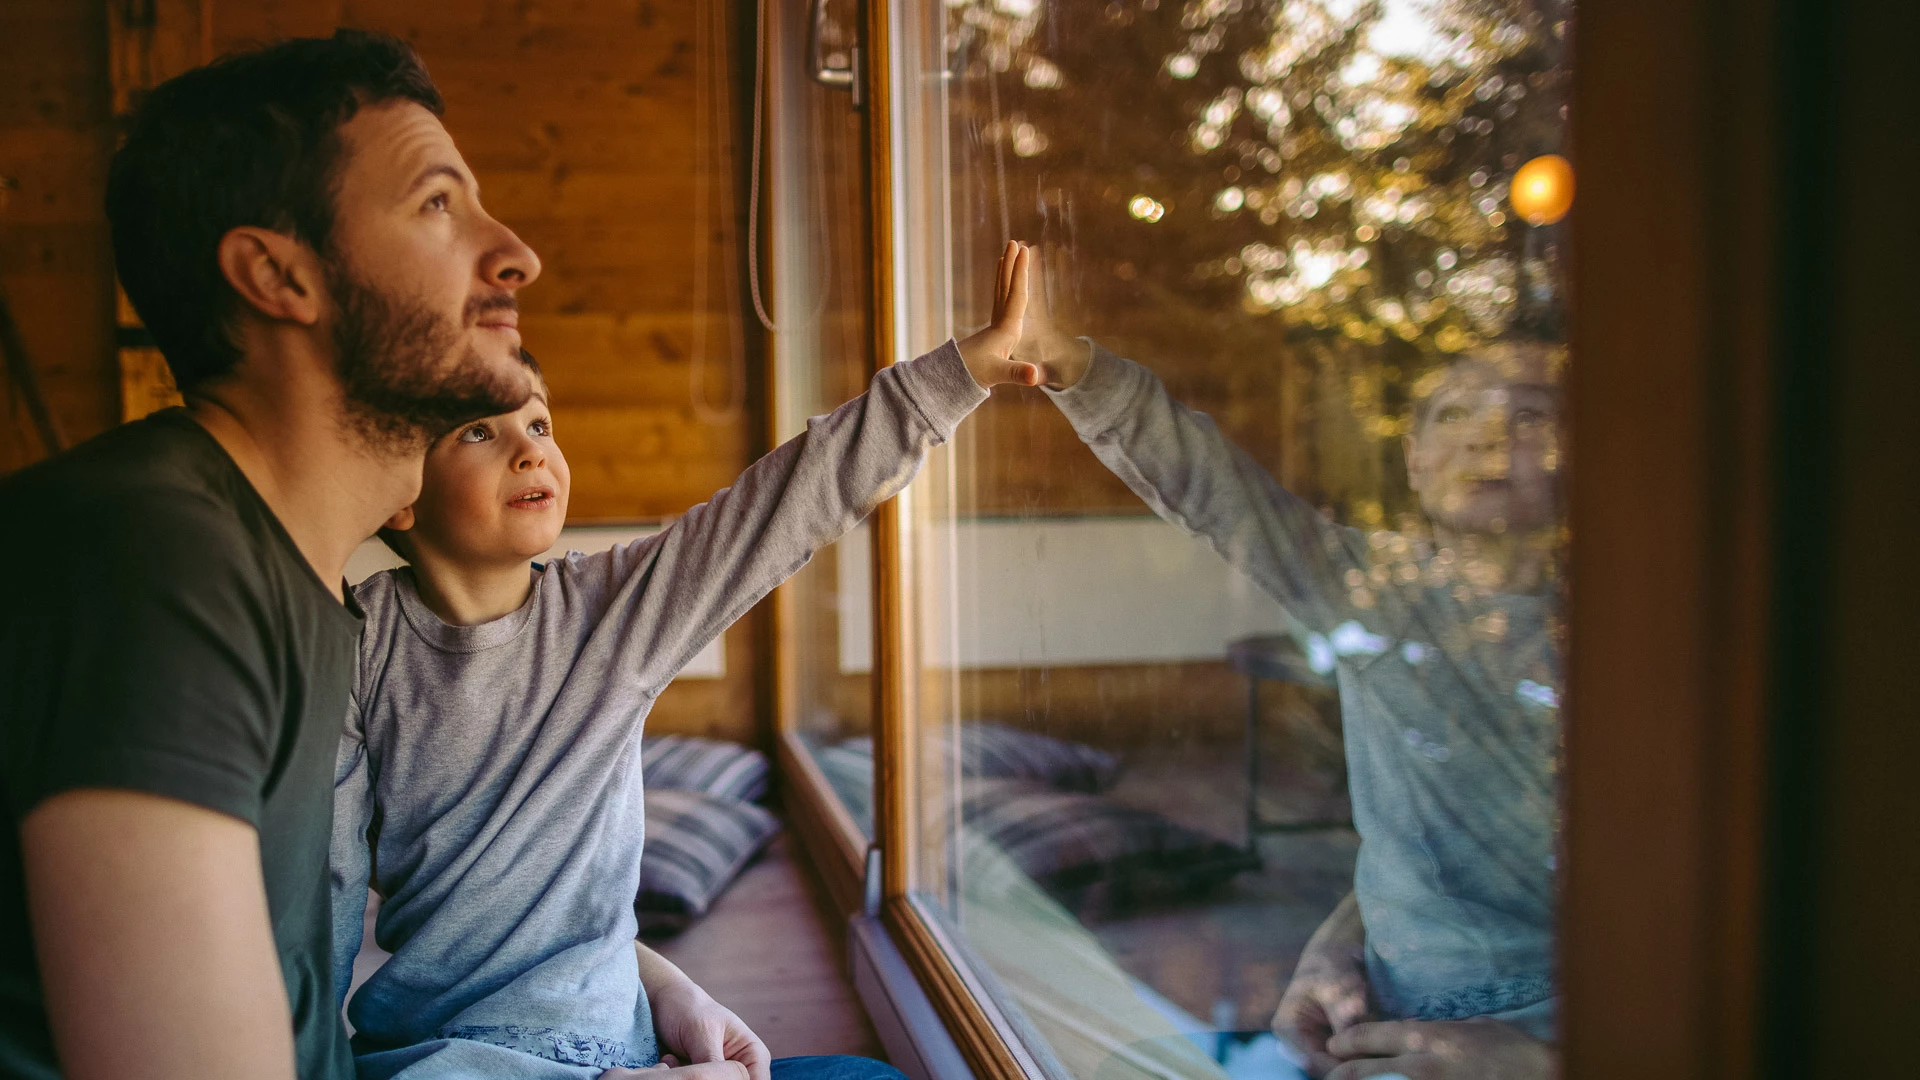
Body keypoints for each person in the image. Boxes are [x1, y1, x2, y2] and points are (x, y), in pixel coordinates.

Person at [329, 245, 1042, 1080]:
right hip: (439, 1062)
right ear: (400, 488)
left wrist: (963, 372)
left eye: (540, 423)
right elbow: (325, 901)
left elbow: (787, 501)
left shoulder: (612, 612)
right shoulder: (355, 646)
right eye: (482, 430)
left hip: (615, 1042)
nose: (531, 452)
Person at [0, 30, 541, 1080]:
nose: (516, 252)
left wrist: (648, 981)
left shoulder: (303, 576)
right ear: (277, 276)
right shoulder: (153, 564)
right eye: (438, 204)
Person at [1027, 319, 1563, 1080]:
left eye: (1531, 415)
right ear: (1414, 461)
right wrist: (1074, 366)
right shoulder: (1370, 586)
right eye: (1456, 414)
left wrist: (1551, 1060)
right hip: (1379, 1022)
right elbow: (1212, 487)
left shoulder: (1640, 648)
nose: (1488, 437)